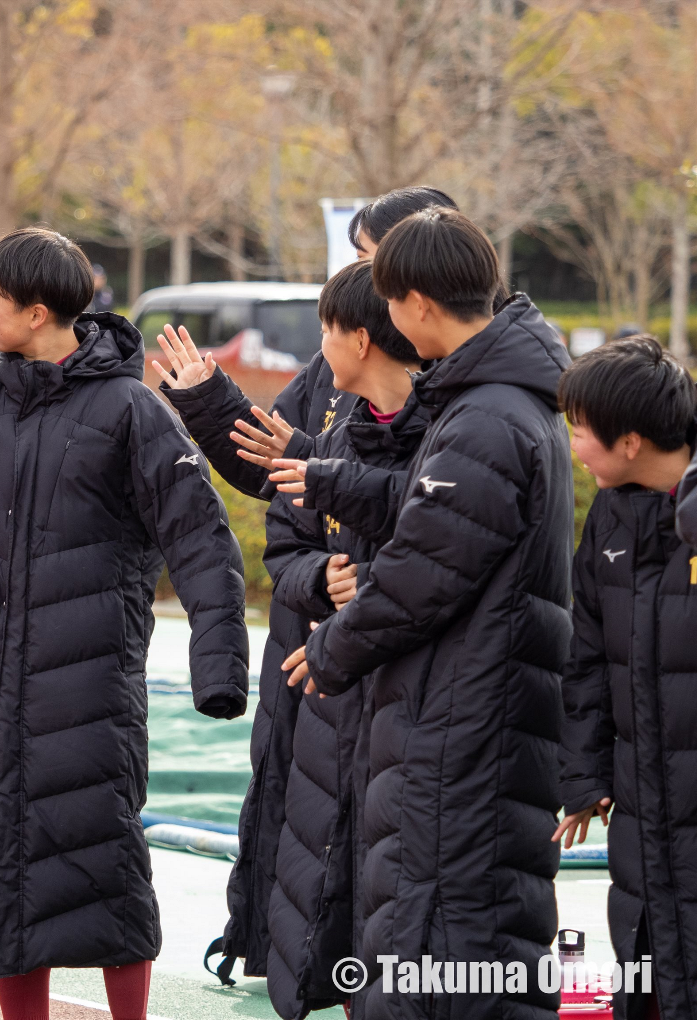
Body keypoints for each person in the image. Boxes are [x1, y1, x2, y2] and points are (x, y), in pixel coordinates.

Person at [0, 228, 249, 1020]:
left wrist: (221, 667)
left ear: (38, 312)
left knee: (107, 878)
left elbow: (201, 538)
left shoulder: (130, 410)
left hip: (82, 696)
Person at [275, 208, 573, 1019]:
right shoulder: (497, 400)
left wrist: (335, 646)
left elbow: (423, 572)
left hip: (461, 720)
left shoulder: (484, 416)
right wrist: (330, 477)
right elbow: (431, 508)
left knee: (431, 949)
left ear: (413, 303)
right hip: (472, 709)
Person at [160, 186, 459, 984]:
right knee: (292, 815)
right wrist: (207, 400)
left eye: (370, 259)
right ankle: (274, 951)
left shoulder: (457, 396)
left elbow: (427, 522)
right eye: (357, 258)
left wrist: (325, 479)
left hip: (381, 666)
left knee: (376, 858)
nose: (359, 274)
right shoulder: (336, 377)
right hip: (310, 650)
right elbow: (279, 481)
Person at [255, 261, 427, 1020]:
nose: (318, 349)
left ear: (361, 336)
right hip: (335, 705)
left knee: (400, 923)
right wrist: (325, 578)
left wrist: (371, 588)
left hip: (400, 703)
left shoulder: (454, 434)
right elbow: (284, 551)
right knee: (335, 900)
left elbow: (443, 555)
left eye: (326, 329)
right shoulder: (341, 431)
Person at [555, 336, 697, 1020]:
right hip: (642, 815)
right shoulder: (609, 516)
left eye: (581, 430)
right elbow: (586, 657)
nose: (574, 445)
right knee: (648, 965)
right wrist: (583, 778)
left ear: (631, 440)